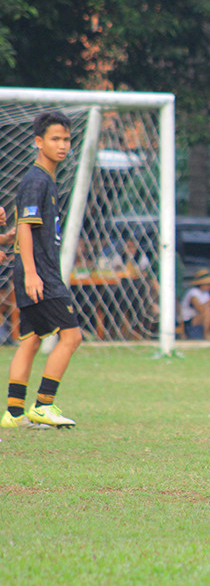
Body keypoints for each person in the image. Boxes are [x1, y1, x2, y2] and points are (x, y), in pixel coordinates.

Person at [1, 110, 83, 430]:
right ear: (39, 142)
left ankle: (14, 412)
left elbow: (23, 229)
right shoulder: (36, 179)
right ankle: (44, 405)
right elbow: (25, 226)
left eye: (66, 139)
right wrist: (33, 273)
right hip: (41, 273)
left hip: (31, 269)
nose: (63, 145)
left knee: (31, 338)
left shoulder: (45, 179)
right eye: (55, 139)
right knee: (72, 336)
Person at [179, 269, 210, 340]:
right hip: (189, 319)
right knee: (207, 313)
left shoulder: (206, 293)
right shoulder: (193, 293)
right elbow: (200, 309)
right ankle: (206, 334)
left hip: (201, 317)